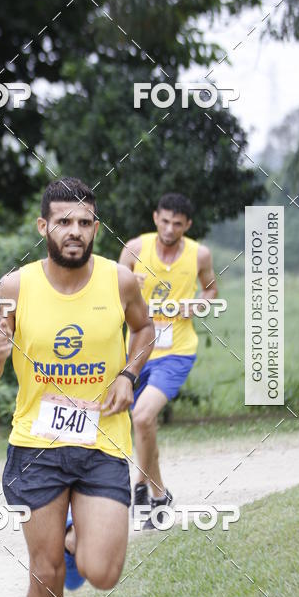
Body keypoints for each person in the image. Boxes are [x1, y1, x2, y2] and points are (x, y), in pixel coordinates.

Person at [0, 177, 154, 597]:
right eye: (63, 221)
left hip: (101, 441)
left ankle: (78, 547)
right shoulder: (15, 287)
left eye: (84, 222)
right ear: (44, 227)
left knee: (102, 572)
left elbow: (146, 332)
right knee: (44, 571)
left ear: (95, 228)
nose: (74, 232)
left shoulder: (121, 280)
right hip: (37, 444)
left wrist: (128, 372)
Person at [118, 193, 217, 530]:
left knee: (142, 416)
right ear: (155, 217)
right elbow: (113, 291)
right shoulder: (134, 248)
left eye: (178, 223)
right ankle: (158, 494)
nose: (170, 228)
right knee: (145, 426)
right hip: (136, 349)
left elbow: (211, 291)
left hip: (176, 350)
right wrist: (131, 287)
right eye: (165, 220)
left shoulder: (199, 254)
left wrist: (197, 305)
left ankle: (140, 488)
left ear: (187, 225)